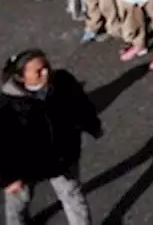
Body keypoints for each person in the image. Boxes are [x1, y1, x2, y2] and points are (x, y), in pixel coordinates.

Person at [0, 49, 99, 225]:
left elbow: (82, 105)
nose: (46, 73)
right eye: (38, 71)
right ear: (21, 78)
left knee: (73, 196)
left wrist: (92, 125)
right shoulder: (6, 106)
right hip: (24, 164)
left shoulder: (63, 81)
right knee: (19, 203)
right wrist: (8, 178)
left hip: (61, 157)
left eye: (47, 67)